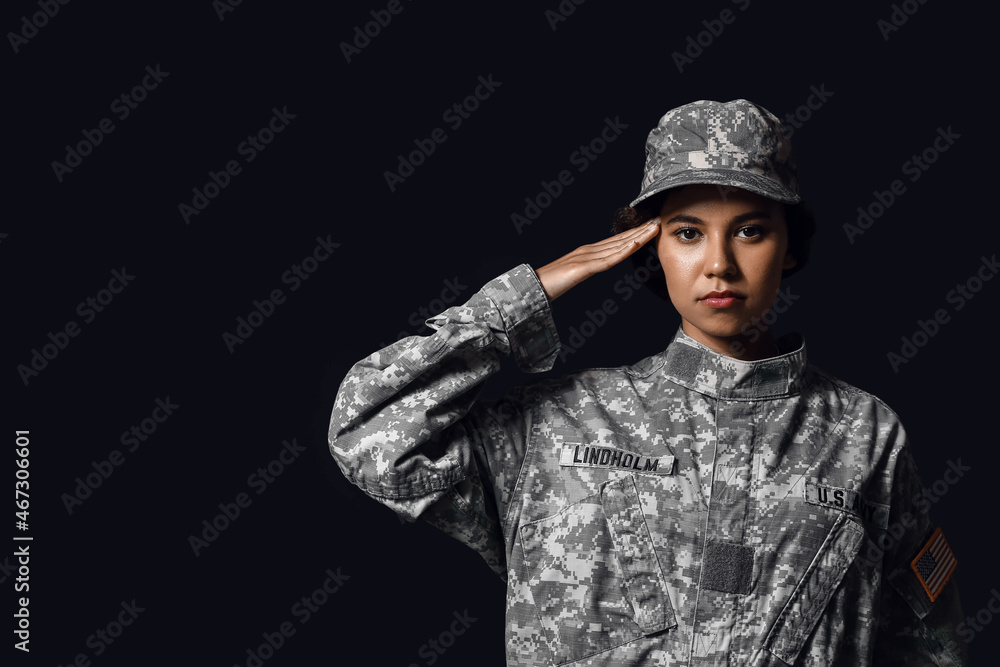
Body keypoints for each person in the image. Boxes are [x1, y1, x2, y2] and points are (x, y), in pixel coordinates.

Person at [328, 99, 967, 665]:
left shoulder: (864, 434)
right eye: (687, 233)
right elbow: (370, 432)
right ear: (647, 247)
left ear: (789, 247)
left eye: (750, 230)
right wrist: (526, 297)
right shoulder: (558, 425)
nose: (719, 264)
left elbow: (926, 645)